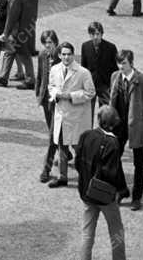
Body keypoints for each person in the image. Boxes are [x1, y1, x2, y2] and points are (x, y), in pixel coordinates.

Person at [75, 105, 129, 260]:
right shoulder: (113, 143)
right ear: (114, 123)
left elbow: (78, 162)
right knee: (116, 230)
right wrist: (123, 190)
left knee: (87, 234)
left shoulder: (86, 135)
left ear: (99, 119)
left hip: (86, 192)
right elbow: (114, 173)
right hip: (105, 197)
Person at [108, 49, 143, 211]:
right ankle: (122, 190)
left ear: (131, 63)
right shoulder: (115, 77)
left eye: (124, 63)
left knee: (138, 164)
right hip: (118, 126)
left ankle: (137, 197)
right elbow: (111, 102)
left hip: (137, 128)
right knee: (113, 157)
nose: (121, 67)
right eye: (119, 63)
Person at [46, 43, 96, 188]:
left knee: (78, 148)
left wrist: (70, 96)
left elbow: (90, 92)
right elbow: (51, 86)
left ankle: (88, 176)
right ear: (59, 55)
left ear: (73, 55)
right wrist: (56, 94)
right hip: (61, 115)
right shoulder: (55, 69)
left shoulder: (83, 72)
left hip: (76, 117)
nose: (66, 57)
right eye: (64, 54)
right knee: (61, 146)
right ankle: (63, 177)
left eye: (69, 54)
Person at [0, 0, 37, 90]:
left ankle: (30, 80)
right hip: (26, 26)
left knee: (23, 54)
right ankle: (3, 77)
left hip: (17, 29)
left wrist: (6, 33)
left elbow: (12, 15)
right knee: (10, 51)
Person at [36, 30, 62, 183]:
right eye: (45, 43)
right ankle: (67, 154)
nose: (48, 46)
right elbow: (40, 75)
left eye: (50, 43)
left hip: (58, 101)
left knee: (53, 134)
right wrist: (38, 94)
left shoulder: (62, 57)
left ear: (55, 43)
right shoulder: (42, 55)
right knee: (52, 131)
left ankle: (46, 169)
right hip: (45, 99)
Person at [80, 21, 118, 106]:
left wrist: (112, 86)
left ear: (102, 34)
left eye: (98, 34)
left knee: (105, 112)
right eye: (92, 34)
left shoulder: (111, 48)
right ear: (89, 34)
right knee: (88, 110)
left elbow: (115, 69)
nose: (95, 37)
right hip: (90, 84)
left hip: (105, 85)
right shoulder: (85, 46)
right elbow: (84, 66)